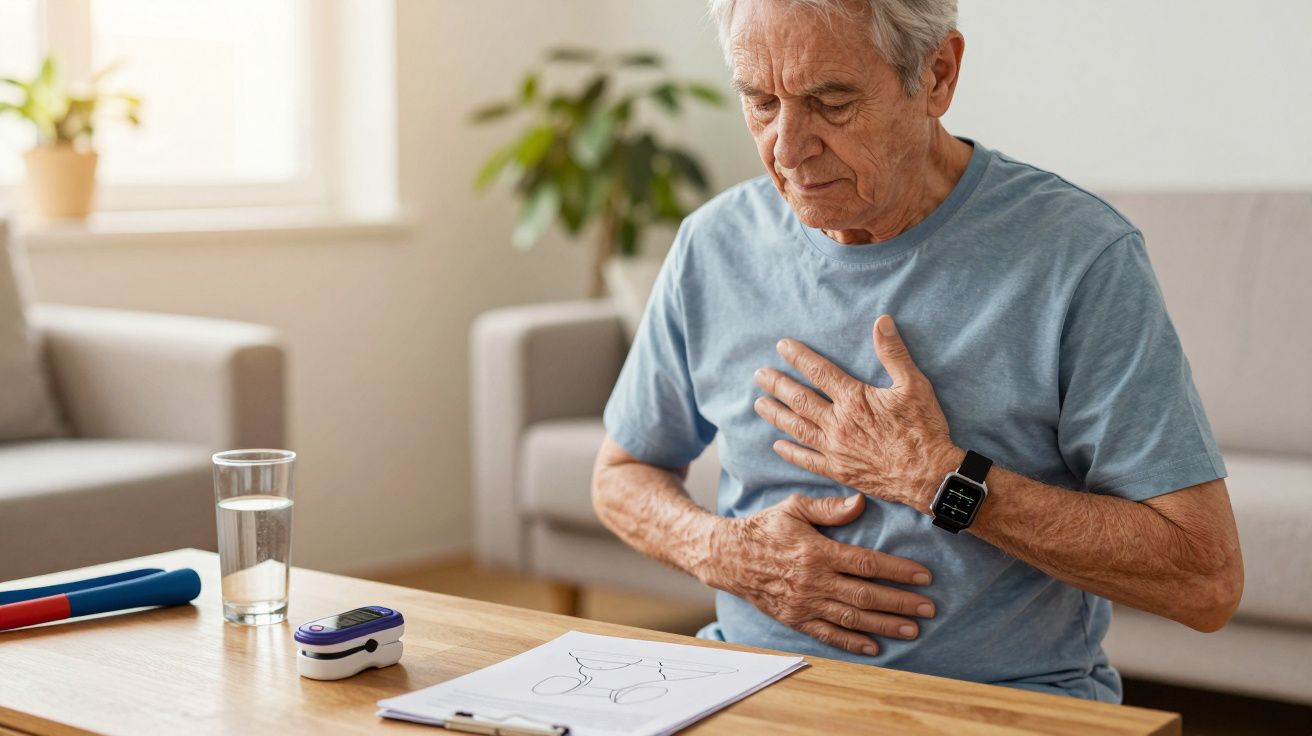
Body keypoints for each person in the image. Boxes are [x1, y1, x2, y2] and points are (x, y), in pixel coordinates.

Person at [591, 0, 1243, 703]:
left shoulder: (1078, 257)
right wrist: (723, 552)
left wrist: (939, 479)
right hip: (749, 690)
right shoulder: (713, 245)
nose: (786, 146)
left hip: (1002, 705)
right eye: (760, 101)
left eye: (831, 102)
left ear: (937, 74)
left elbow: (1204, 580)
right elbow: (621, 473)